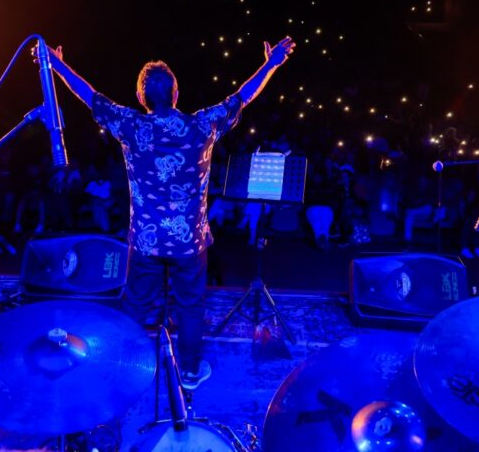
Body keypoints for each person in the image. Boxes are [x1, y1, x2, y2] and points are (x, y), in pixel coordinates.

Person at [40, 36, 295, 389]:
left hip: (146, 241)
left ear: (140, 97)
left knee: (136, 304)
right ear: (176, 94)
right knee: (190, 305)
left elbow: (90, 96)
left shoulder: (131, 126)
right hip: (188, 242)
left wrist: (57, 65)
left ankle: (123, 366)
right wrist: (271, 64)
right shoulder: (201, 127)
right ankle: (189, 372)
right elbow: (243, 97)